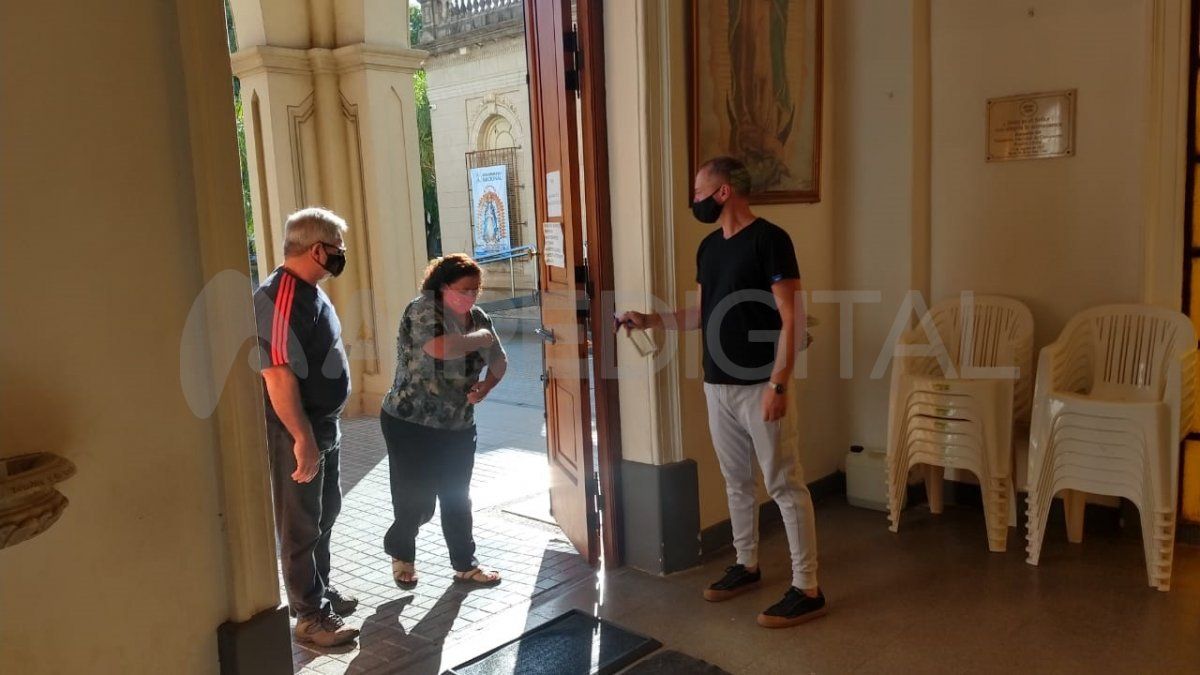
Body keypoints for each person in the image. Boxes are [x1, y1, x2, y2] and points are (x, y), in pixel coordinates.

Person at [617, 156, 826, 629]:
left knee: (783, 484)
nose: (695, 200)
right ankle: (747, 564)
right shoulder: (709, 248)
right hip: (718, 384)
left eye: (699, 192)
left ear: (724, 191)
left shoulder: (771, 241)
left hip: (761, 386)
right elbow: (700, 314)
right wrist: (651, 320)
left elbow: (791, 317)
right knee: (736, 481)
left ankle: (807, 587)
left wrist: (779, 383)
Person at [254, 207, 359, 647]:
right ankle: (309, 616)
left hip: (323, 426)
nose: (340, 257)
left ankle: (319, 590)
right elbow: (277, 375)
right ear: (318, 249)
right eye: (337, 250)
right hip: (295, 431)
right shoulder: (277, 297)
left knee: (324, 513)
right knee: (299, 524)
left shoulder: (310, 290)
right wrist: (302, 439)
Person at [380, 253, 508, 588]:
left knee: (456, 496)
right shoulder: (423, 309)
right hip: (410, 422)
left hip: (457, 425)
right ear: (443, 285)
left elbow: (500, 360)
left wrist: (487, 386)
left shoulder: (476, 316)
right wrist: (480, 339)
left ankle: (465, 564)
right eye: (465, 289)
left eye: (476, 290)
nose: (471, 296)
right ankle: (401, 549)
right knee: (417, 500)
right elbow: (440, 348)